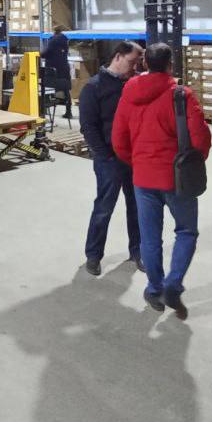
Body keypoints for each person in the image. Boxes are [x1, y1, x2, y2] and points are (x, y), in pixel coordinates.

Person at [112, 43, 212, 318]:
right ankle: (173, 284)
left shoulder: (128, 92)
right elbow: (200, 137)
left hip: (143, 178)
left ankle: (154, 289)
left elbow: (118, 139)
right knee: (186, 232)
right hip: (177, 178)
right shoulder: (181, 95)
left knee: (150, 238)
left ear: (145, 64)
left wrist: (138, 163)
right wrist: (194, 162)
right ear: (170, 65)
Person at [78, 40, 145, 277]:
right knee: (104, 207)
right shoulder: (93, 87)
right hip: (109, 159)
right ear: (118, 57)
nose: (135, 67)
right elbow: (88, 127)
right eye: (132, 62)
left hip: (134, 158)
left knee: (137, 206)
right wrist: (105, 155)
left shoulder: (134, 84)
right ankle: (93, 255)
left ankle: (138, 251)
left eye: (138, 63)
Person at [42, 25, 72, 119]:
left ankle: (44, 109)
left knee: (45, 87)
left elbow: (47, 52)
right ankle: (68, 111)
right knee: (65, 89)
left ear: (54, 31)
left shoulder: (53, 40)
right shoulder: (65, 40)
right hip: (64, 68)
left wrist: (39, 54)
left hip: (53, 69)